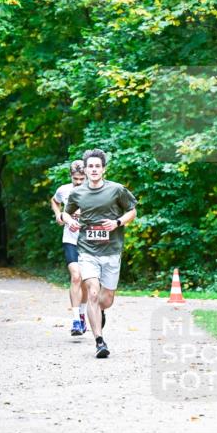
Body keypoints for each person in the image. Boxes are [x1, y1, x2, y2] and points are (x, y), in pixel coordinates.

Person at [62, 149, 137, 358]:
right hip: (87, 250)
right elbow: (66, 213)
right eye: (90, 166)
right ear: (85, 170)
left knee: (107, 299)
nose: (94, 170)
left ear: (103, 169)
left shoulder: (117, 190)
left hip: (112, 250)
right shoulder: (78, 193)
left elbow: (132, 210)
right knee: (93, 292)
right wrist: (70, 222)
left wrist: (117, 222)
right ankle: (99, 341)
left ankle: (99, 312)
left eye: (97, 166)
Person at [51, 160, 89, 336]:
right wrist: (59, 214)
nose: (79, 182)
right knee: (76, 276)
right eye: (76, 179)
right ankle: (75, 320)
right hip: (71, 239)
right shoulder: (63, 190)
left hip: (90, 242)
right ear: (71, 176)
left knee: (86, 282)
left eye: (82, 178)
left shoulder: (95, 191)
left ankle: (82, 314)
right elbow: (54, 201)